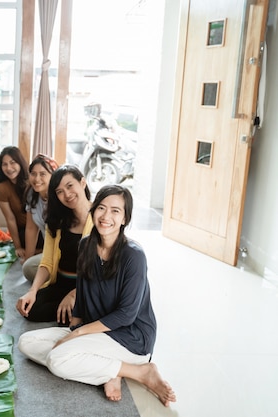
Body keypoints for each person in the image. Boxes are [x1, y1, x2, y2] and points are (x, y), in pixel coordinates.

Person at [17, 185, 176, 407]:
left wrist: (78, 334)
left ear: (124, 219)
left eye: (115, 211)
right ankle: (111, 371)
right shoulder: (86, 245)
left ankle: (140, 371)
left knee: (57, 359)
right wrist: (74, 328)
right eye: (101, 208)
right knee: (27, 342)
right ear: (94, 210)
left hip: (131, 337)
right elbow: (82, 293)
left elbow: (127, 314)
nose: (106, 216)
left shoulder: (134, 255)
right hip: (96, 330)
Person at [16, 165, 92, 323]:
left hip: (85, 287)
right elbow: (47, 262)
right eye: (59, 191)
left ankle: (75, 309)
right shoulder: (56, 220)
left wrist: (73, 295)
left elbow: (101, 272)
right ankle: (70, 310)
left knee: (65, 318)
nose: (67, 194)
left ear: (83, 183)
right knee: (31, 310)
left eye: (70, 186)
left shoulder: (100, 218)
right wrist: (32, 291)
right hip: (60, 283)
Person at [22, 153, 59, 281]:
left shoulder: (60, 197)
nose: (37, 179)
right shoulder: (32, 194)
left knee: (30, 269)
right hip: (48, 252)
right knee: (27, 267)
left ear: (53, 176)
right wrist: (28, 257)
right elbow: (31, 229)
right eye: (33, 173)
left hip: (64, 253)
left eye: (43, 174)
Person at [0, 146, 30, 259]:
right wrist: (18, 247)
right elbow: (10, 218)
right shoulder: (1, 189)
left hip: (40, 226)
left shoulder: (32, 181)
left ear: (20, 163)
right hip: (23, 230)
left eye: (12, 162)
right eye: (4, 164)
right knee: (25, 237)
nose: (9, 168)